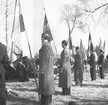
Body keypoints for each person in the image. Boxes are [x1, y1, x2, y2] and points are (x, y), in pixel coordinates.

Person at [39, 33, 55, 105]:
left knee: (45, 87)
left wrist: (42, 69)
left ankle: (45, 102)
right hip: (49, 69)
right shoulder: (49, 46)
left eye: (41, 37)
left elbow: (44, 59)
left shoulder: (45, 46)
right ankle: (46, 101)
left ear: (43, 38)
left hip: (45, 70)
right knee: (47, 87)